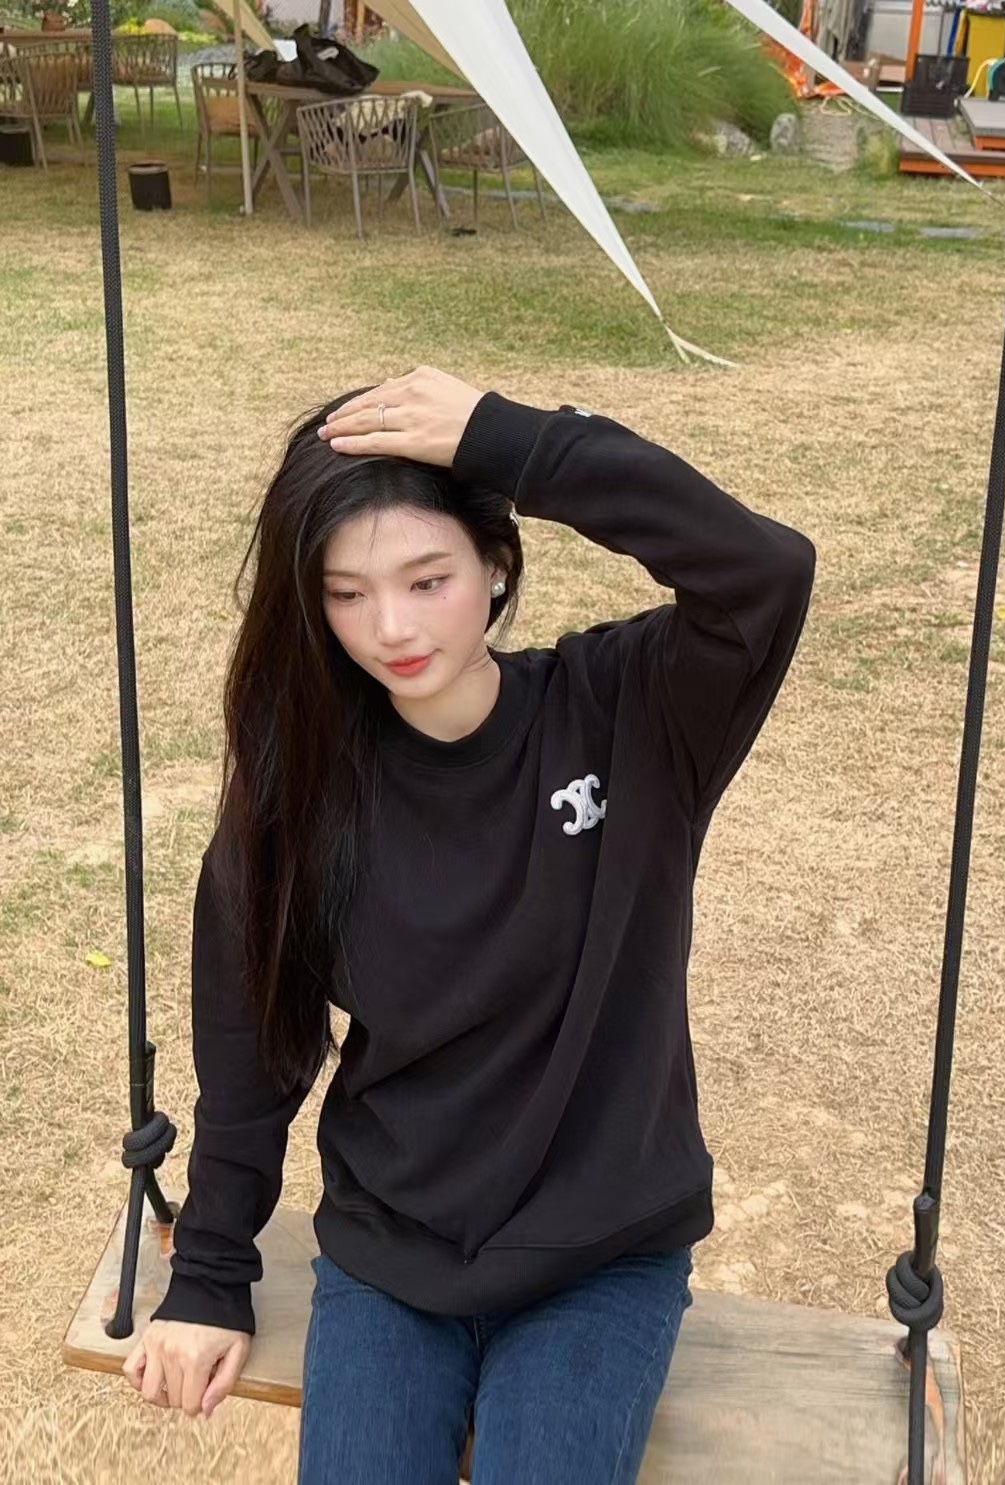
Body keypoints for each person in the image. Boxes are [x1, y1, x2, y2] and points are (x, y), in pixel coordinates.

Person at [122, 365, 816, 1482]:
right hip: (392, 1253)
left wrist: (515, 443)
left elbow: (763, 572)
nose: (391, 626)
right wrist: (207, 1276)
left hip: (601, 1257)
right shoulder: (297, 791)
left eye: (427, 578)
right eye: (347, 593)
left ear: (496, 564)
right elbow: (254, 1059)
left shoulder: (631, 710)